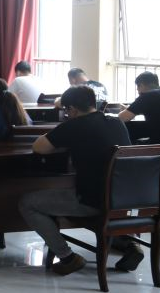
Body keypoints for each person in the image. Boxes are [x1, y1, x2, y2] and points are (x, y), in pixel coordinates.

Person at [19, 86, 143, 276]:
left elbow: (39, 147)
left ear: (72, 109)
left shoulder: (75, 125)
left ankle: (68, 258)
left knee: (27, 203)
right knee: (105, 201)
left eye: (66, 111)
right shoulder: (116, 122)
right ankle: (130, 243)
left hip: (94, 201)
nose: (66, 114)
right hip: (129, 200)